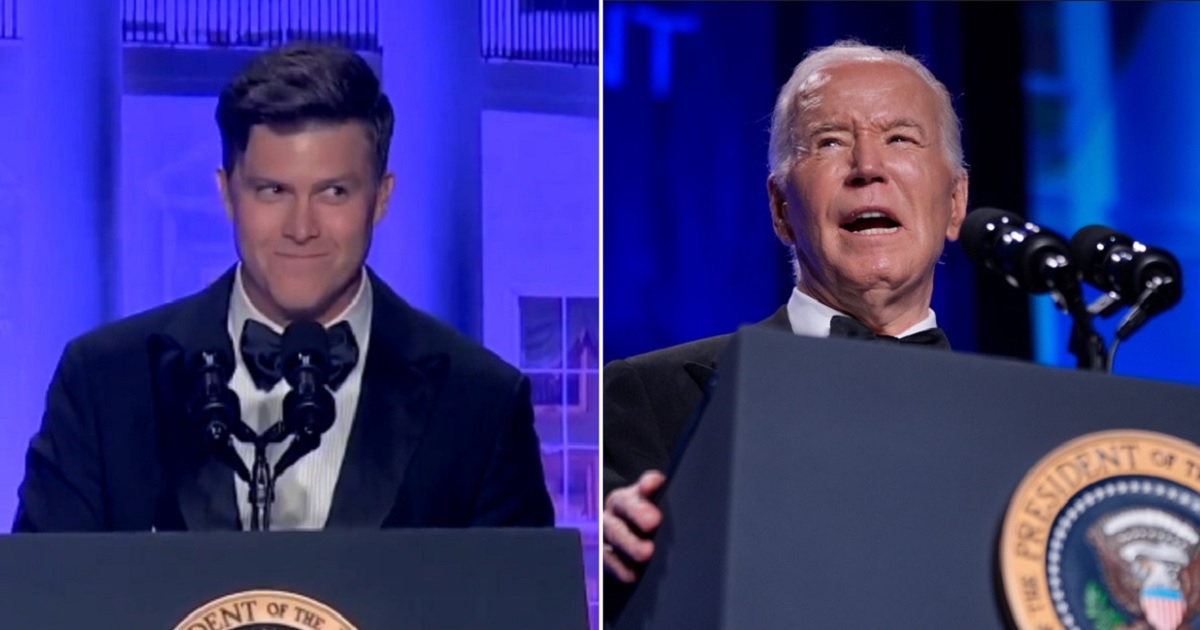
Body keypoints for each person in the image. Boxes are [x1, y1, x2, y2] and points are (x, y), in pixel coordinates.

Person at [14, 42, 554, 532]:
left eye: (334, 192)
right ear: (227, 194)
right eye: (272, 190)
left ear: (381, 198)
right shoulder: (104, 384)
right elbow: (42, 602)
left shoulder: (480, 405)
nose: (301, 228)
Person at [602, 40, 969, 614]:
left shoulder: (1012, 423)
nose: (867, 168)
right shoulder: (646, 397)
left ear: (955, 203)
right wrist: (603, 554)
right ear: (779, 209)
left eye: (900, 138)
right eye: (829, 142)